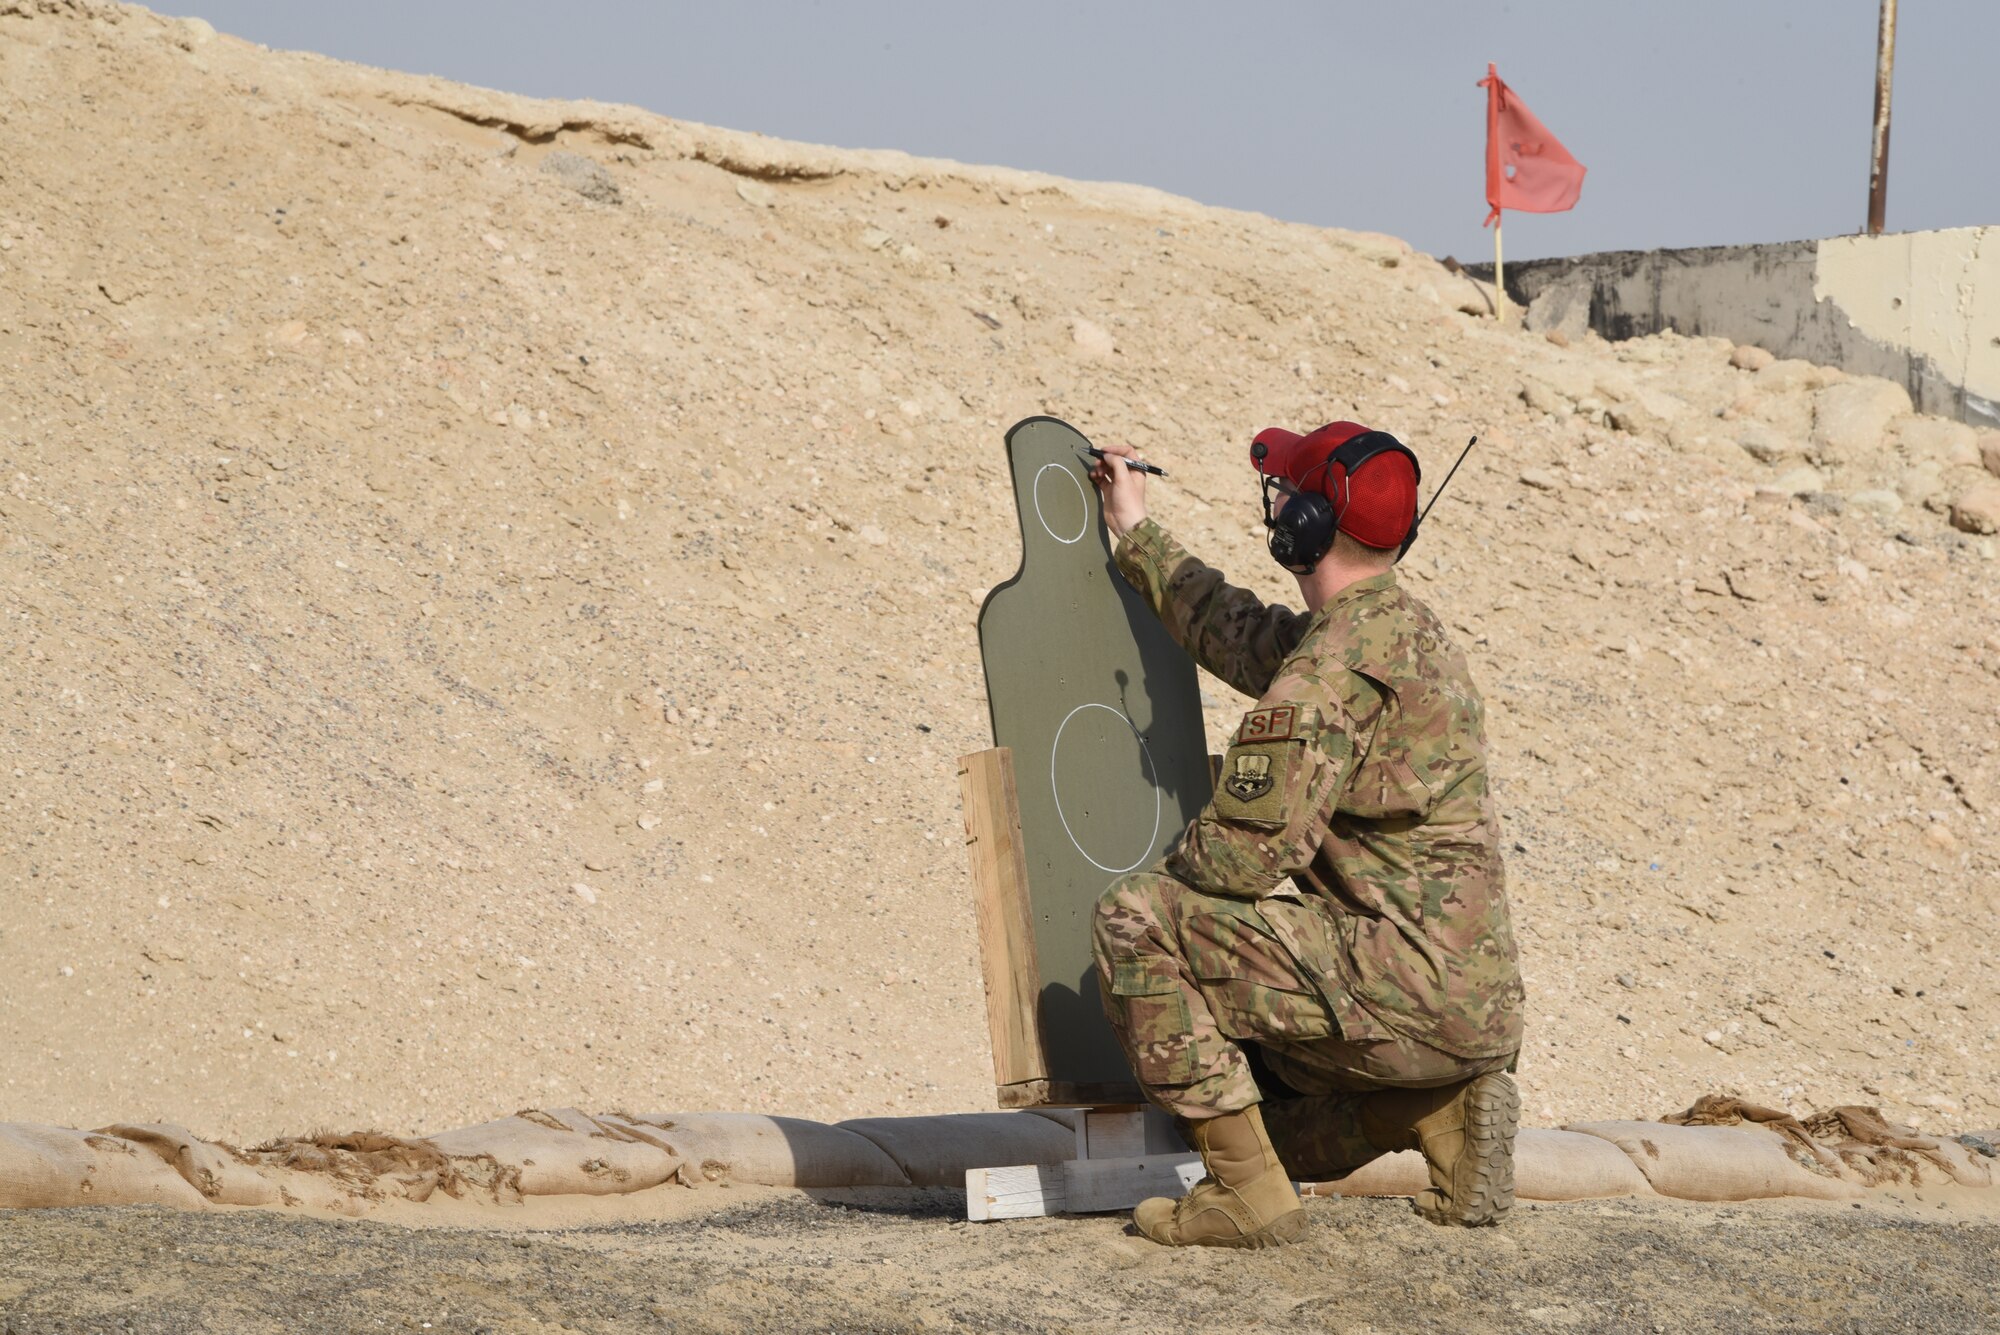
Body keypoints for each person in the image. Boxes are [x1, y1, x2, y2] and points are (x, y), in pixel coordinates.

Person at [1084, 422, 1525, 1249]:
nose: (1276, 504)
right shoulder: (1399, 631)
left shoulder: (1326, 676)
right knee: (1271, 1091)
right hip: (1469, 1008)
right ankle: (1438, 1111)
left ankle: (1245, 1194)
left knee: (1137, 919)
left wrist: (1167, 873)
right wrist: (1135, 530)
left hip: (1405, 996)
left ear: (1310, 528)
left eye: (1286, 494)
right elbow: (1237, 629)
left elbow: (1240, 858)